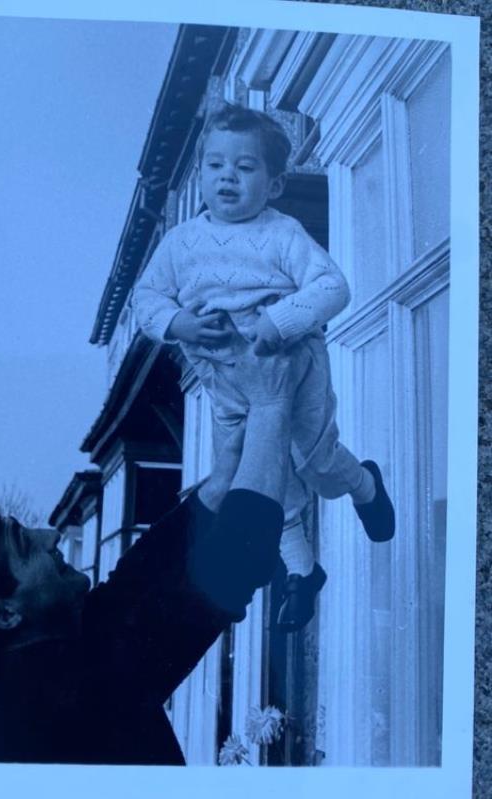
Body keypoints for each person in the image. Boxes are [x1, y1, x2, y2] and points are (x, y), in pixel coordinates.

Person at [0, 348, 301, 765]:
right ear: (5, 614)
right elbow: (234, 559)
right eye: (27, 546)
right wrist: (272, 405)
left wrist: (219, 482)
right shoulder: (59, 698)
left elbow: (132, 585)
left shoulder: (38, 658)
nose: (50, 536)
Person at [132, 103, 395, 631]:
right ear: (202, 172)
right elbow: (146, 298)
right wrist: (180, 323)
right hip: (223, 377)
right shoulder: (181, 243)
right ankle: (302, 571)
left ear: (273, 185)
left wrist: (279, 321)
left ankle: (364, 483)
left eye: (246, 167)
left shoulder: (282, 234)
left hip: (289, 367)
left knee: (314, 464)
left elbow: (332, 286)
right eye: (215, 165)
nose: (228, 176)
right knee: (260, 477)